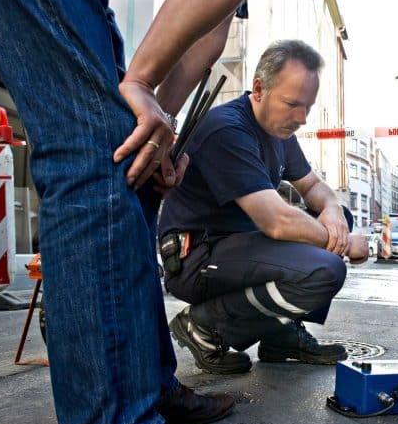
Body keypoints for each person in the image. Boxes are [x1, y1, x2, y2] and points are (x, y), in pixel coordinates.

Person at [0, 0, 282, 424]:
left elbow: (213, 21)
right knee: (94, 158)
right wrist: (141, 85)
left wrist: (157, 130)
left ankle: (145, 387)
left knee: (132, 166)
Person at [158, 40, 369, 374]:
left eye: (307, 107)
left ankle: (279, 335)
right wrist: (341, 242)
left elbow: (313, 186)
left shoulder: (280, 132)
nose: (301, 118)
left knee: (341, 217)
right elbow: (276, 221)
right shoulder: (227, 129)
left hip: (238, 247)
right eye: (292, 104)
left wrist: (331, 209)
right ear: (259, 89)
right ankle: (203, 325)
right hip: (196, 256)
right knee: (325, 270)